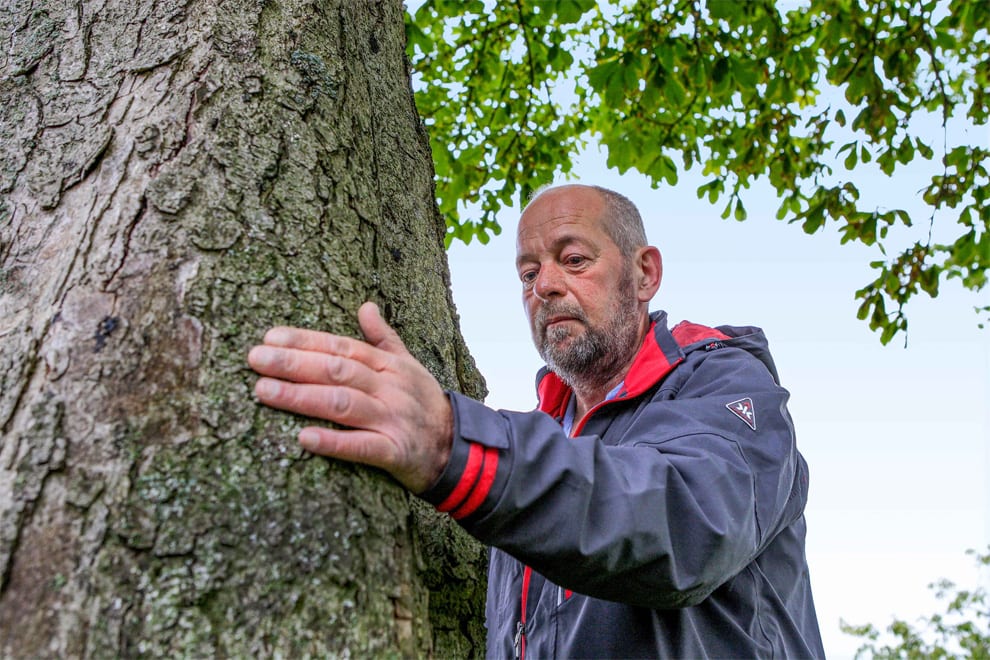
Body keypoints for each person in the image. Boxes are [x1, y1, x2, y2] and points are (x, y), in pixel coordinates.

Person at [248, 184, 826, 658]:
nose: (544, 286)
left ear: (646, 273)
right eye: (528, 274)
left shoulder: (725, 383)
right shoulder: (544, 438)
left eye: (574, 260)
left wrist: (452, 442)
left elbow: (690, 526)